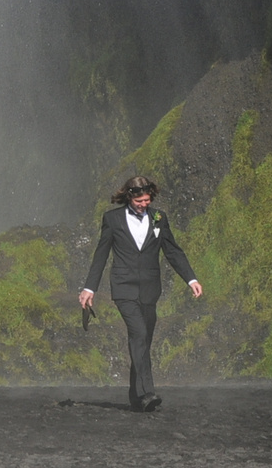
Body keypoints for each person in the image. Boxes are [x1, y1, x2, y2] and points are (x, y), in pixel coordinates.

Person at [77, 176, 202, 412]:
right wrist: (89, 288)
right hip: (124, 288)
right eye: (139, 200)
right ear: (129, 197)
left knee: (143, 341)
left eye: (147, 200)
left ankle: (136, 397)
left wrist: (191, 279)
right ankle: (147, 392)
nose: (143, 204)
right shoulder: (112, 219)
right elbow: (101, 254)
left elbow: (173, 251)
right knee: (139, 333)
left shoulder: (159, 218)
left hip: (150, 289)